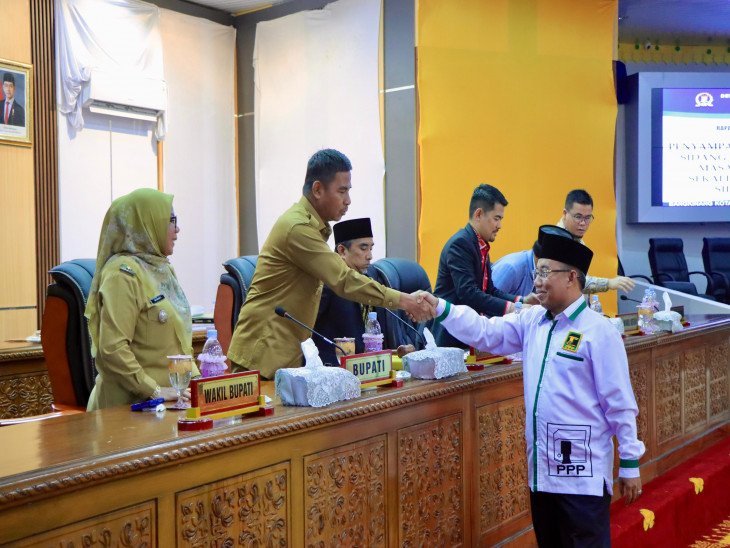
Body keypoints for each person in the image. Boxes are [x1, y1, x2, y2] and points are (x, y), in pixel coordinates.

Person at [424, 225, 644, 546]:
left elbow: (619, 403)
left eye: (544, 273)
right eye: (535, 273)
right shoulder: (532, 321)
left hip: (582, 477)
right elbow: (485, 331)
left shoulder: (599, 332)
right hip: (542, 474)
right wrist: (440, 307)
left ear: (571, 277)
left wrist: (630, 462)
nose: (537, 282)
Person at [227, 149, 434, 379]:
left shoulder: (312, 227)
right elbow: (344, 280)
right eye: (342, 191)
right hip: (262, 354)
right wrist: (405, 301)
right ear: (318, 190)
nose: (348, 200)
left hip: (286, 355)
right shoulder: (297, 228)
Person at [85, 188, 196, 411]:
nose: (177, 229)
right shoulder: (121, 274)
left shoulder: (161, 269)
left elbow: (179, 347)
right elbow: (113, 349)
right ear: (147, 224)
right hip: (129, 409)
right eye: (171, 221)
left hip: (169, 405)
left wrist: (198, 383)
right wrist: (155, 391)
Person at [432, 183, 536, 348]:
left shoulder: (480, 245)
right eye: (496, 218)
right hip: (450, 338)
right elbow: (469, 293)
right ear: (479, 214)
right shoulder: (460, 244)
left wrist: (522, 300)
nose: (499, 226)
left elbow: (490, 290)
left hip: (470, 333)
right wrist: (513, 309)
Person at [313, 217, 385, 365]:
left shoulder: (370, 279)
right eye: (363, 248)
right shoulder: (328, 283)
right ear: (342, 251)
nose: (370, 256)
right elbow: (307, 329)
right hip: (333, 367)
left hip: (367, 365)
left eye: (371, 248)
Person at [558, 189, 635, 294]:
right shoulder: (558, 241)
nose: (583, 223)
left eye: (587, 218)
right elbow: (575, 282)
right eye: (578, 217)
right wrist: (608, 283)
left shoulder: (575, 238)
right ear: (565, 214)